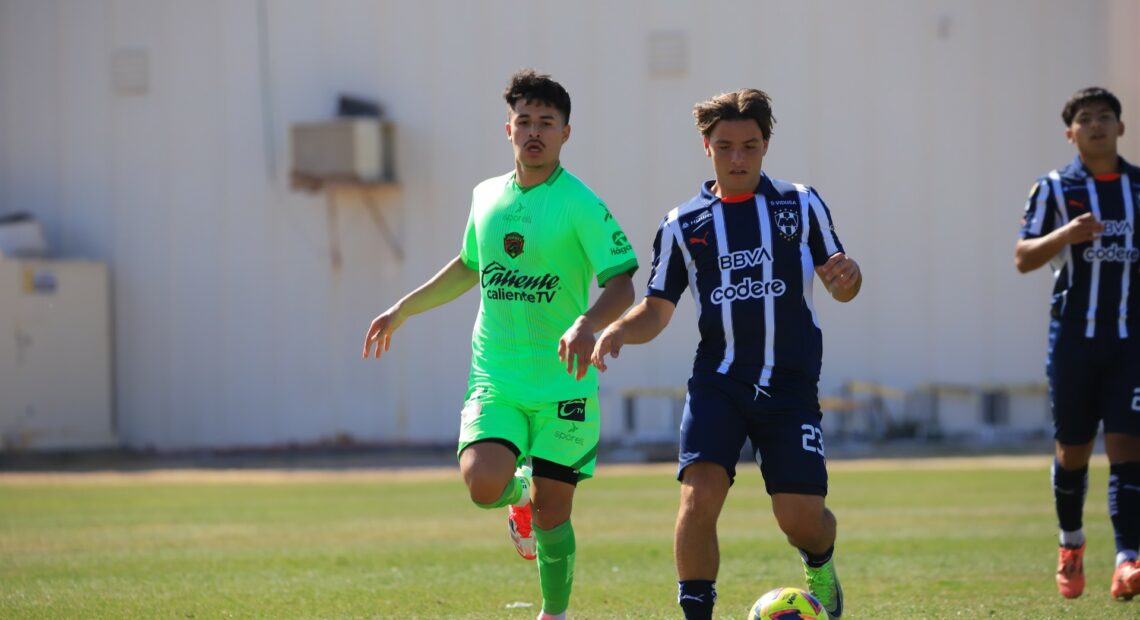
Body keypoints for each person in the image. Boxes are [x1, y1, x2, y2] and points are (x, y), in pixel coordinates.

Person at [362, 69, 637, 620]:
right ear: (507, 128)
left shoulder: (581, 204)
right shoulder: (485, 196)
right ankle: (519, 501)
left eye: (547, 123)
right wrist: (403, 308)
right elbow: (470, 266)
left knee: (555, 512)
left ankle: (553, 613)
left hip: (564, 380)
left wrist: (588, 324)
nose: (534, 132)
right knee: (483, 484)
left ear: (565, 133)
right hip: (498, 378)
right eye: (525, 121)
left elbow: (623, 281)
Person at [591, 89, 860, 619]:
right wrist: (620, 329)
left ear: (766, 145)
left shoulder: (801, 204)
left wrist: (849, 278)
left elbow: (841, 279)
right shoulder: (681, 224)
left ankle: (820, 562)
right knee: (698, 495)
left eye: (750, 146)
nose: (738, 159)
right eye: (726, 146)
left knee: (799, 518)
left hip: (789, 385)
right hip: (719, 381)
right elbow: (658, 307)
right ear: (706, 146)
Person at [1015, 86, 1140, 602]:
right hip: (1074, 341)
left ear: (1120, 127)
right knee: (1073, 453)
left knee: (1129, 445)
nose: (1095, 125)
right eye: (1085, 119)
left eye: (1104, 117)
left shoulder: (1137, 187)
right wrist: (1066, 234)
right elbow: (1023, 257)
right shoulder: (1053, 188)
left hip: (1131, 341)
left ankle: (1128, 559)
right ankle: (1071, 544)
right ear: (1070, 132)